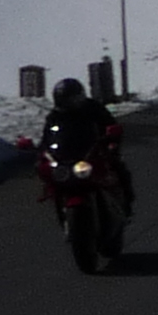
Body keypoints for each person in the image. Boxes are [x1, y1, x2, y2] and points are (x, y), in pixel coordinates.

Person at [37, 75, 135, 218]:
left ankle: (126, 205)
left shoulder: (93, 108)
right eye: (65, 99)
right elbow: (47, 138)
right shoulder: (55, 116)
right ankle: (61, 207)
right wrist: (43, 153)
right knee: (51, 176)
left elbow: (110, 124)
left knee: (118, 169)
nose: (69, 102)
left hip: (93, 151)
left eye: (72, 98)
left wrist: (111, 140)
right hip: (66, 156)